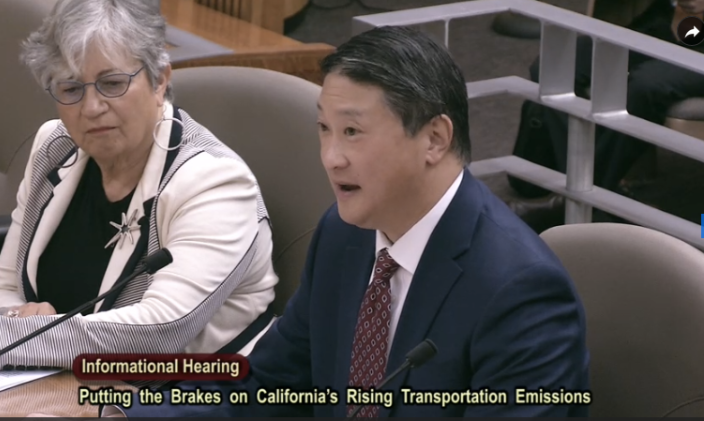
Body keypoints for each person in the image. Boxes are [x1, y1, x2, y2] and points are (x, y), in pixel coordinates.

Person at [34, 26, 588, 418]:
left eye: (352, 132)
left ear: (435, 139)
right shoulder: (345, 238)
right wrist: (118, 411)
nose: (331, 157)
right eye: (324, 130)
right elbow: (268, 387)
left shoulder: (519, 291)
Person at [0, 0, 278, 371]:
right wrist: (18, 318)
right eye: (70, 89)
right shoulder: (55, 146)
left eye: (112, 84)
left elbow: (162, 331)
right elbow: (3, 286)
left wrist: (2, 339)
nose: (90, 107)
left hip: (179, 397)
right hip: (51, 384)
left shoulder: (215, 183)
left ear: (160, 80)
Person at [509, 0, 704, 199]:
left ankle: (587, 194)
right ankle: (593, 183)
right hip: (670, 22)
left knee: (645, 85)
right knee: (556, 63)